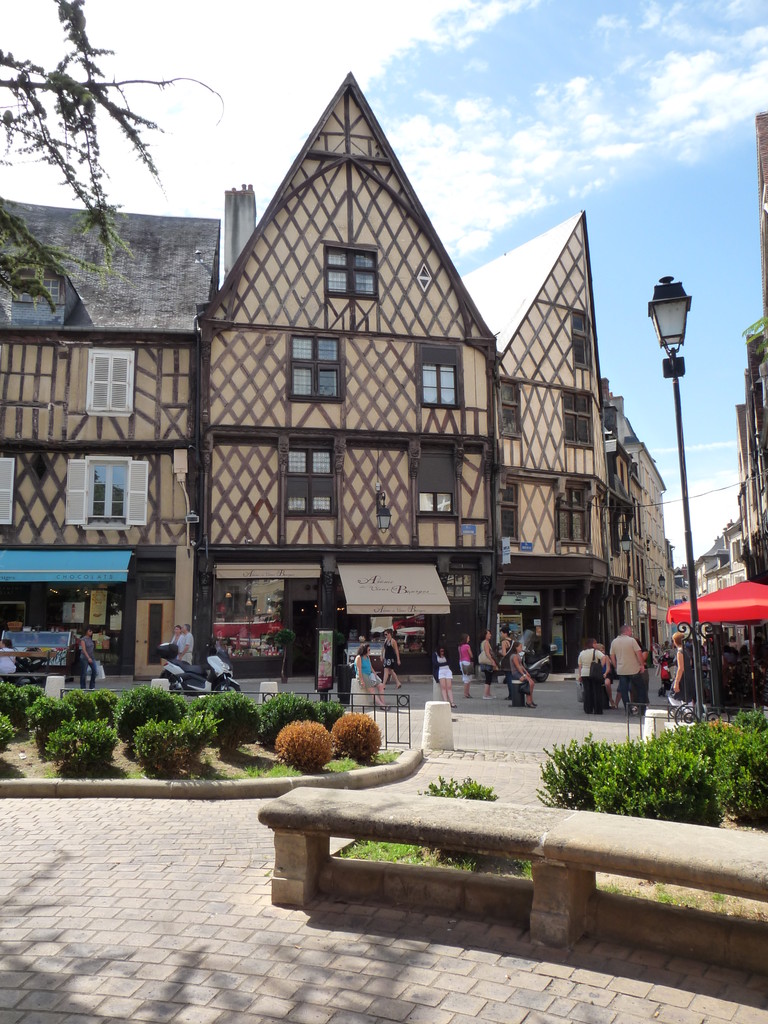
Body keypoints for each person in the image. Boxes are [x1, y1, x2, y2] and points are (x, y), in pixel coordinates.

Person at [610, 624, 643, 710]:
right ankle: (640, 708)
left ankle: (627, 709)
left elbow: (612, 656)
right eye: (630, 631)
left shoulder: (614, 642)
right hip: (634, 669)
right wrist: (641, 665)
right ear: (626, 631)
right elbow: (639, 653)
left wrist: (615, 666)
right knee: (638, 688)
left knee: (623, 690)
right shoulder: (632, 641)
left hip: (622, 670)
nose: (631, 632)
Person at [353, 642, 387, 709]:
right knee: (372, 690)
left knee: (380, 686)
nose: (370, 651)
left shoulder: (367, 657)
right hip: (362, 674)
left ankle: (383, 703)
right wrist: (362, 680)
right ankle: (381, 705)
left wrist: (374, 673)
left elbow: (370, 666)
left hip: (369, 674)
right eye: (368, 650)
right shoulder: (359, 657)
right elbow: (359, 669)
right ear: (364, 650)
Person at [577, 637, 605, 714]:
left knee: (587, 692)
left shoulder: (582, 653)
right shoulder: (595, 652)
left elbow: (580, 665)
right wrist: (600, 666)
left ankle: (588, 709)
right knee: (596, 691)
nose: (596, 644)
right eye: (595, 643)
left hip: (584, 673)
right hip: (594, 673)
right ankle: (597, 709)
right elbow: (603, 657)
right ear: (592, 644)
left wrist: (580, 675)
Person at [508, 640, 537, 707]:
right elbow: (518, 666)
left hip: (520, 672)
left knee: (532, 683)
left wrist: (526, 672)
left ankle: (530, 700)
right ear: (516, 648)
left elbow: (521, 665)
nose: (521, 648)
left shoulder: (518, 655)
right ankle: (529, 702)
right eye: (520, 647)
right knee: (529, 683)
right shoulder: (514, 656)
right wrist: (524, 675)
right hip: (516, 673)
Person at [476, 628, 496, 699]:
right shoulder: (486, 642)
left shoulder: (482, 642)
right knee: (488, 678)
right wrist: (492, 661)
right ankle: (485, 694)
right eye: (489, 634)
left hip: (484, 662)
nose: (490, 635)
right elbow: (487, 653)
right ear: (485, 635)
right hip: (487, 662)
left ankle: (488, 693)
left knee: (488, 677)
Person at [458, 633, 474, 698]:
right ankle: (466, 693)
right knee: (468, 678)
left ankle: (466, 693)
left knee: (465, 677)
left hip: (461, 662)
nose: (469, 639)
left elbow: (460, 655)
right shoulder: (467, 646)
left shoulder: (460, 646)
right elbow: (471, 655)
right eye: (468, 638)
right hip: (467, 661)